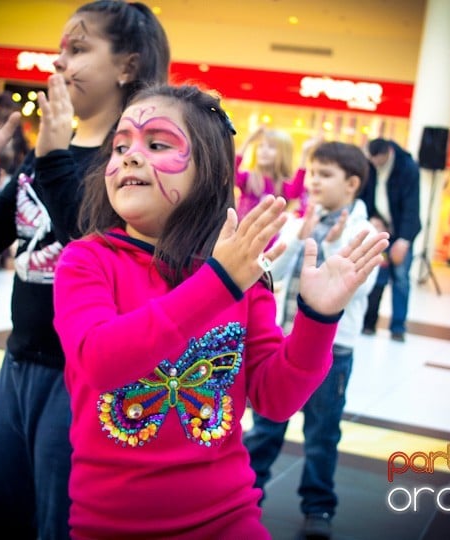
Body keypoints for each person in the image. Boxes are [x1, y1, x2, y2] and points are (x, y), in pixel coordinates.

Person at [52, 84, 388, 539]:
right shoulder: (87, 260)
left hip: (228, 519)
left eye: (156, 143)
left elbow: (275, 397)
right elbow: (100, 360)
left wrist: (317, 318)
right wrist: (219, 282)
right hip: (109, 524)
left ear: (208, 170)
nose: (130, 156)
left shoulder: (243, 276)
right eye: (121, 145)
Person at [0, 2, 170, 538]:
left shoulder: (134, 157)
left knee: (60, 524)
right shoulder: (54, 143)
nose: (60, 62)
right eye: (60, 48)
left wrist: (51, 160)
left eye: (78, 48)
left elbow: (101, 245)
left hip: (85, 380)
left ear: (127, 65)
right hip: (19, 365)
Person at [244, 141, 379, 539]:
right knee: (266, 426)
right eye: (312, 172)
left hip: (333, 350)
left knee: (322, 434)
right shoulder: (297, 221)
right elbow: (270, 273)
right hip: (285, 344)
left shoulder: (363, 232)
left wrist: (333, 244)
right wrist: (298, 239)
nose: (314, 181)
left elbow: (354, 287)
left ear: (352, 184)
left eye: (325, 174)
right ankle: (247, 492)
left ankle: (318, 506)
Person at [359, 137, 421, 342]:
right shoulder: (369, 165)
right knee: (377, 277)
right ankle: (368, 323)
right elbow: (364, 195)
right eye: (372, 160)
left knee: (401, 279)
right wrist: (372, 219)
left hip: (402, 232)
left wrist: (404, 240)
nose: (375, 164)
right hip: (378, 230)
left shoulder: (407, 167)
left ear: (388, 153)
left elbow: (412, 207)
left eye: (378, 160)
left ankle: (398, 327)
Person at [235, 125, 312, 219]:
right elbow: (231, 174)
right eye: (260, 146)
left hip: (270, 232)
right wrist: (248, 141)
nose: (264, 151)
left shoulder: (282, 185)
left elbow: (295, 192)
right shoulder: (249, 178)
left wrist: (304, 155)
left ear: (284, 153)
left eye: (271, 147)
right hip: (243, 230)